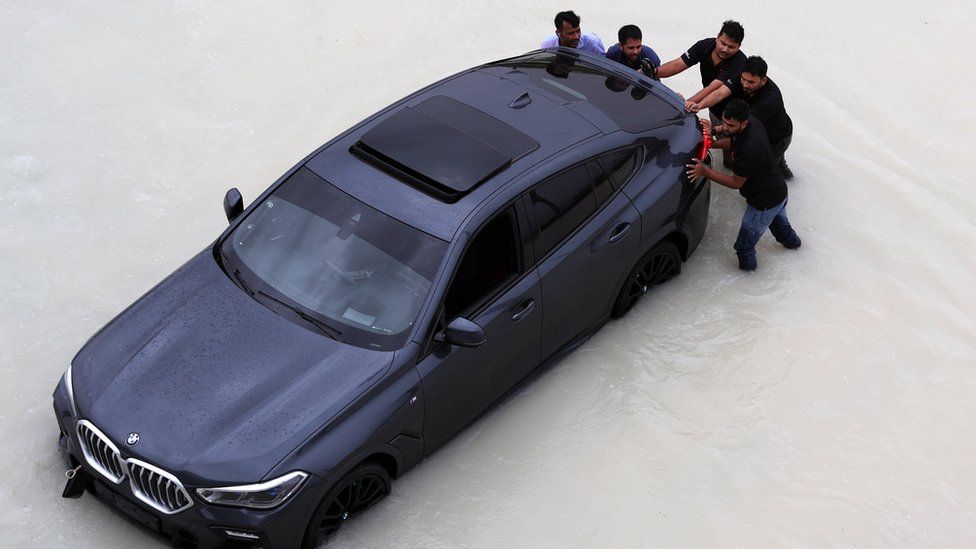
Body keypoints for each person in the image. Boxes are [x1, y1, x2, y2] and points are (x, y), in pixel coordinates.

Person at [686, 99, 800, 271]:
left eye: (730, 125)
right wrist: (713, 138)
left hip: (763, 203)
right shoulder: (751, 122)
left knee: (743, 248)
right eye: (724, 122)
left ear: (743, 123)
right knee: (783, 232)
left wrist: (705, 171)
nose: (725, 127)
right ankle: (799, 251)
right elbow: (733, 140)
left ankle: (750, 280)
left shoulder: (750, 149)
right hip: (779, 191)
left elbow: (735, 183)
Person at [687, 56, 794, 179]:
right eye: (743, 79)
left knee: (765, 174)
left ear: (763, 80)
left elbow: (742, 131)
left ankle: (788, 182)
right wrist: (699, 105)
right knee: (777, 165)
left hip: (776, 138)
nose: (745, 84)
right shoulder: (743, 75)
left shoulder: (769, 99)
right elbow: (719, 93)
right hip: (763, 126)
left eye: (751, 82)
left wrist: (712, 138)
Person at [656, 20, 748, 123]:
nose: (725, 50)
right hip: (713, 109)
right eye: (723, 43)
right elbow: (677, 65)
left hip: (734, 119)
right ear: (717, 37)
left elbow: (714, 90)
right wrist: (652, 72)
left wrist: (684, 105)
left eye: (731, 47)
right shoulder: (704, 45)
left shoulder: (740, 64)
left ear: (739, 46)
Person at [541, 10, 606, 55]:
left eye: (578, 31)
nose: (576, 37)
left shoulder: (593, 43)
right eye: (570, 33)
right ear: (558, 33)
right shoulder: (547, 46)